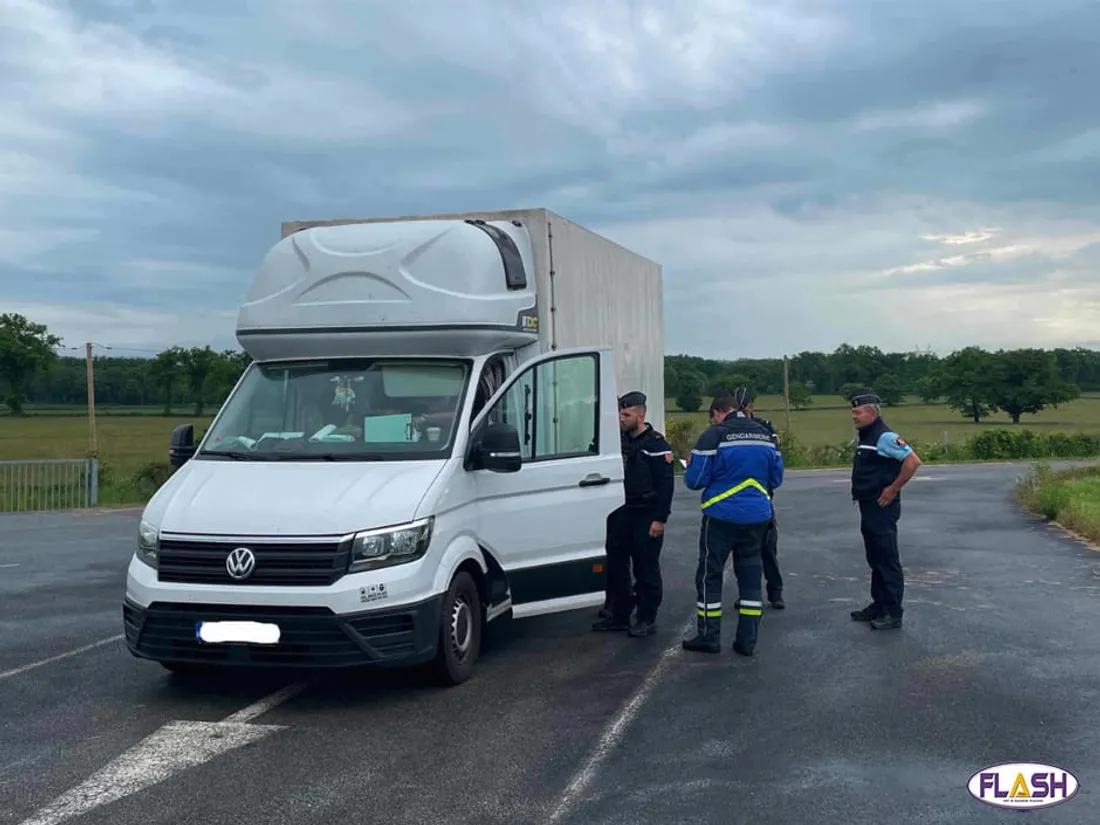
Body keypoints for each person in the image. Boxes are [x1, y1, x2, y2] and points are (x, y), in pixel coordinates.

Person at [682, 387, 784, 656]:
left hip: (721, 517)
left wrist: (693, 465)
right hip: (759, 517)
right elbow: (776, 479)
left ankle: (709, 636)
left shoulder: (715, 436)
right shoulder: (765, 435)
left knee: (709, 576)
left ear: (718, 413)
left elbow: (695, 481)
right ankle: (747, 641)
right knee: (750, 577)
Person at [593, 391, 675, 638]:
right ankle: (619, 615)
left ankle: (646, 618)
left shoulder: (656, 445)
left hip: (646, 514)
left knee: (645, 568)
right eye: (620, 413)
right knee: (616, 566)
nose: (621, 418)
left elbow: (665, 486)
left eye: (626, 414)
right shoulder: (617, 442)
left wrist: (659, 519)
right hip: (620, 513)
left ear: (640, 416)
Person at [848, 392, 922, 630]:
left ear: (871, 413)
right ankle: (878, 605)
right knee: (875, 558)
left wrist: (892, 489)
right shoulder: (868, 435)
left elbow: (912, 462)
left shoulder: (885, 436)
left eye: (857, 412)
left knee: (887, 558)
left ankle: (892, 612)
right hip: (868, 506)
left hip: (881, 508)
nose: (854, 417)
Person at [745, 399, 785, 610]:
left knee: (768, 549)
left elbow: (775, 460)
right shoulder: (727, 428)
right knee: (744, 553)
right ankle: (748, 592)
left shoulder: (764, 427)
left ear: (750, 407)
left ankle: (775, 592)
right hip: (741, 499)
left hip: (762, 496)